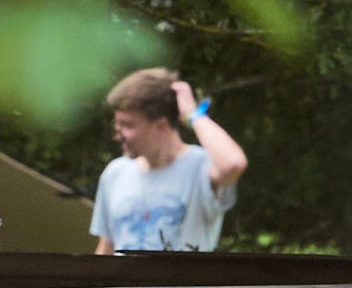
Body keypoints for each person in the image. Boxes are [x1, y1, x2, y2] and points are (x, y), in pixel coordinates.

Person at [90, 64, 245, 259]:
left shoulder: (200, 166)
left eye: (128, 125)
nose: (118, 135)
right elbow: (106, 251)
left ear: (161, 125)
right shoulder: (115, 172)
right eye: (118, 124)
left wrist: (192, 114)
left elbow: (233, 164)